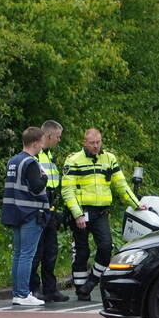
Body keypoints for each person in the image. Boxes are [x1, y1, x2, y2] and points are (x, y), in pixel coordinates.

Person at [60, 128, 145, 301]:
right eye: (92, 143)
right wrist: (77, 214)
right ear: (84, 142)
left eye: (98, 142)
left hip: (100, 213)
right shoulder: (73, 161)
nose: (96, 146)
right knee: (81, 251)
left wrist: (136, 204)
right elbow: (67, 190)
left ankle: (91, 282)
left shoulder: (109, 159)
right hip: (81, 211)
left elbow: (121, 185)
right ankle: (81, 290)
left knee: (106, 247)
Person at [1, 126, 50, 306]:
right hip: (30, 212)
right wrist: (44, 178)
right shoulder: (30, 162)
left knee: (18, 254)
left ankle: (17, 292)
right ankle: (23, 294)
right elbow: (37, 187)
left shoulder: (13, 161)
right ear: (35, 143)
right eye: (42, 144)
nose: (42, 147)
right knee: (27, 255)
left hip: (14, 211)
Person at [28, 120, 69, 303]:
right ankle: (34, 288)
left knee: (51, 251)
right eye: (58, 137)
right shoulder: (36, 156)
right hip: (38, 207)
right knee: (37, 251)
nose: (59, 140)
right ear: (49, 136)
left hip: (50, 207)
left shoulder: (49, 155)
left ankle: (50, 289)